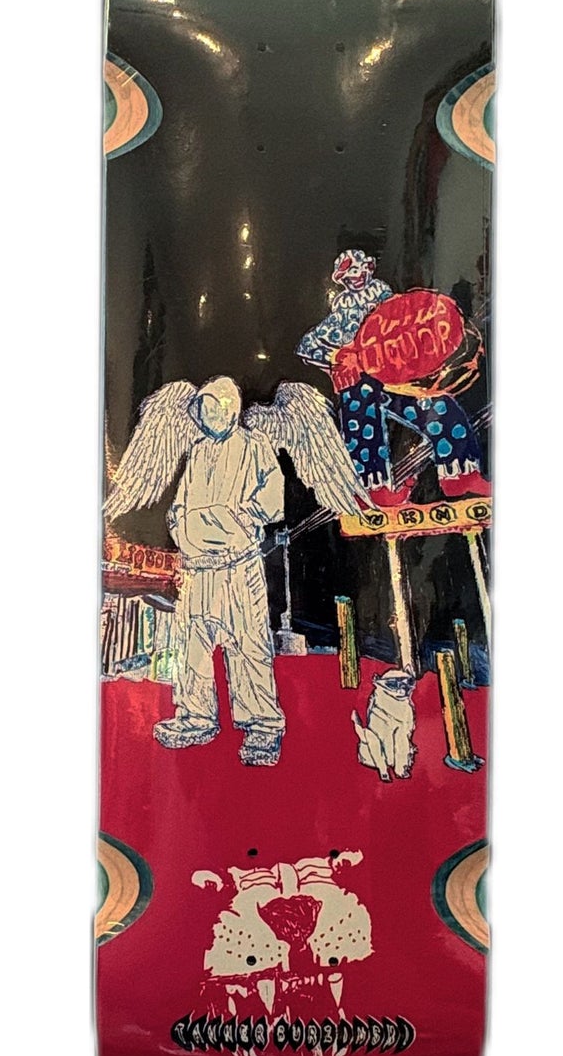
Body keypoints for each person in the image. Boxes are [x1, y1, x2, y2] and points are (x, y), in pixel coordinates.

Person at [158, 377, 286, 766]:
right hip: (198, 569)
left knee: (248, 644)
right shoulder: (197, 452)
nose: (211, 414)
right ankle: (195, 716)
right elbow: (179, 504)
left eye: (217, 406)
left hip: (238, 566)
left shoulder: (254, 445)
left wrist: (241, 519)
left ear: (232, 407)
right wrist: (181, 527)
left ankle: (263, 725)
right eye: (204, 408)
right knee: (192, 646)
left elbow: (273, 496)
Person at [297, 250, 490, 504]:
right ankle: (372, 489)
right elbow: (307, 346)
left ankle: (460, 474)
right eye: (350, 272)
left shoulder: (386, 299)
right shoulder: (341, 314)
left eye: (360, 269)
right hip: (360, 383)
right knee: (363, 425)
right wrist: (339, 358)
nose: (356, 276)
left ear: (368, 269)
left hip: (394, 377)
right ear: (342, 279)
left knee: (437, 405)